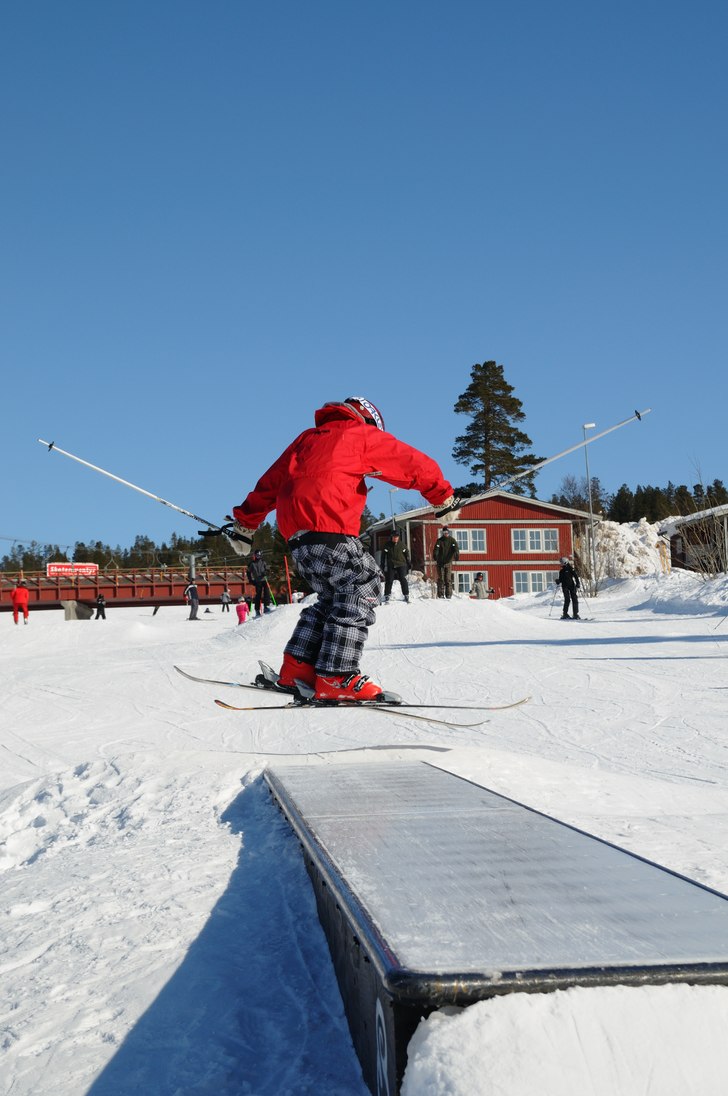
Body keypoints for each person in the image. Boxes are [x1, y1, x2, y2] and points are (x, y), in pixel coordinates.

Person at [224, 396, 456, 701]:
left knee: (335, 597)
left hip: (297, 536)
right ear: (370, 422)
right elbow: (411, 463)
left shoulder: (307, 440)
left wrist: (246, 524)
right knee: (364, 584)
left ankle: (298, 667)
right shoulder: (360, 435)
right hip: (328, 525)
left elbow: (271, 481)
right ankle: (337, 674)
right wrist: (443, 497)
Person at [380, 530, 411, 603]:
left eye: (397, 537)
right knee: (389, 579)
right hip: (391, 564)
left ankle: (406, 594)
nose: (396, 538)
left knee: (403, 579)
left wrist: (408, 562)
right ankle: (387, 595)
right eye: (394, 537)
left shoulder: (402, 544)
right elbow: (383, 555)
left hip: (401, 564)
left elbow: (407, 553)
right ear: (392, 537)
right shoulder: (387, 545)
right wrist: (382, 564)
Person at [433, 526, 460, 599]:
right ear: (443, 533)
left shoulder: (452, 540)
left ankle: (448, 594)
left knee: (448, 579)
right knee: (441, 578)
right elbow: (436, 548)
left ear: (449, 532)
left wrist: (456, 554)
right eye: (445, 532)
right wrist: (435, 555)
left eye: (447, 532)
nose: (446, 534)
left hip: (448, 562)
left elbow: (455, 548)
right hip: (440, 563)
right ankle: (441, 594)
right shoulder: (439, 541)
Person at [247, 550, 271, 616]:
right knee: (258, 595)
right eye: (257, 555)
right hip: (257, 581)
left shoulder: (263, 562)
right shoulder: (252, 564)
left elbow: (267, 570)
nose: (258, 557)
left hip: (264, 579)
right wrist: (250, 580)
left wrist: (266, 572)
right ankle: (257, 609)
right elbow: (248, 572)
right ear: (255, 555)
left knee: (267, 592)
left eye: (259, 555)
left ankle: (266, 606)